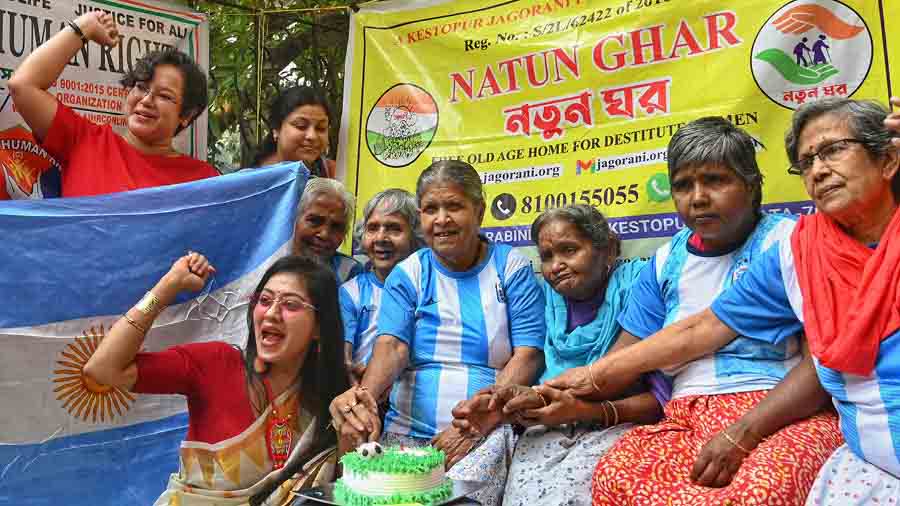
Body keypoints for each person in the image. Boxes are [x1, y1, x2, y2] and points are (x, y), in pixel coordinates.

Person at [580, 97, 900, 505]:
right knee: (615, 475)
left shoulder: (781, 240)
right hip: (697, 418)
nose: (819, 169)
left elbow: (814, 369)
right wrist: (570, 386)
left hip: (776, 412)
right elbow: (703, 328)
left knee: (758, 493)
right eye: (807, 161)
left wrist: (744, 430)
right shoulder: (803, 250)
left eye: (834, 150)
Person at [328, 160, 546, 506]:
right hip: (406, 434)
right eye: (431, 209)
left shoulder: (511, 266)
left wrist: (484, 415)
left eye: (454, 206)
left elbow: (529, 354)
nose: (441, 219)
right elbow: (391, 346)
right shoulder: (409, 273)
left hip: (484, 429)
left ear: (480, 211)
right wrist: (365, 396)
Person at [83, 253, 349, 505]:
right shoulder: (214, 364)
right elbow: (103, 370)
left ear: (319, 327)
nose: (271, 313)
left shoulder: (332, 401)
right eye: (264, 301)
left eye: (290, 305)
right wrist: (165, 290)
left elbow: (343, 490)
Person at [449, 204, 662, 506]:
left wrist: (576, 408)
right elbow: (533, 380)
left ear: (610, 251)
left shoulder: (640, 288)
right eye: (547, 256)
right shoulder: (544, 299)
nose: (556, 265)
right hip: (547, 421)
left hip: (615, 423)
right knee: (466, 479)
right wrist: (501, 403)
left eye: (569, 250)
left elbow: (657, 398)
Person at [7, 12, 218, 198]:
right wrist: (85, 27)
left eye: (164, 96)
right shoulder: (83, 141)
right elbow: (22, 86)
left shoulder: (203, 180)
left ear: (187, 115)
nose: (146, 100)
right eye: (141, 87)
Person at [340, 188, 424, 384]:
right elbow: (343, 356)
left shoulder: (428, 287)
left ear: (416, 236)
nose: (381, 238)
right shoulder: (351, 292)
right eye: (373, 228)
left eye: (394, 228)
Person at [253, 86, 335, 178]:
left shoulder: (334, 174)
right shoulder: (249, 182)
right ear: (276, 129)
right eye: (301, 126)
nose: (312, 136)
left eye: (321, 128)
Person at [293, 177, 363, 284]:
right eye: (315, 221)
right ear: (294, 219)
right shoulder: (266, 261)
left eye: (336, 226)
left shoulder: (351, 273)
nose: (324, 234)